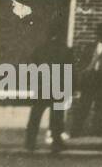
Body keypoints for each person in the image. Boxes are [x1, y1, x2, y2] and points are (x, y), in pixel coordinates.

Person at [25, 21, 73, 153]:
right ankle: (56, 142)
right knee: (57, 116)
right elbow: (69, 70)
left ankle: (30, 142)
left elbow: (32, 66)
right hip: (58, 87)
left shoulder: (40, 49)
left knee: (36, 115)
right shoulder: (66, 50)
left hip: (42, 86)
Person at [72, 23, 102, 136]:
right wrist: (84, 74)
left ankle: (98, 132)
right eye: (101, 34)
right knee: (83, 106)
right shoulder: (89, 47)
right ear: (98, 35)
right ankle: (75, 131)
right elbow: (82, 62)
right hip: (90, 80)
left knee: (101, 107)